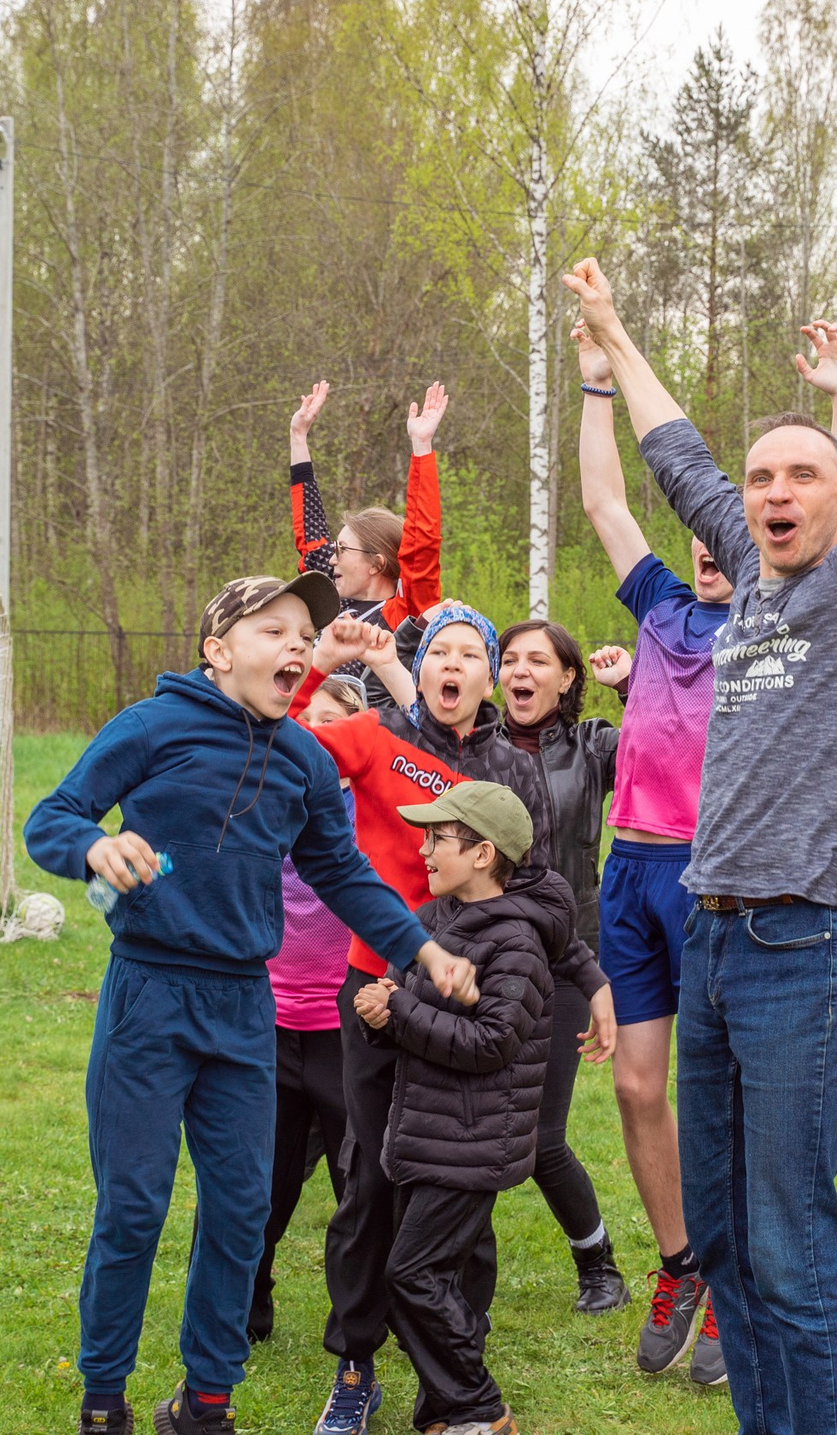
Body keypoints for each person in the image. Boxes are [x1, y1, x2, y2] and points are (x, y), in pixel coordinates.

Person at [569, 250, 837, 1435]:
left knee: (789, 1246)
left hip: (805, 948)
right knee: (730, 1244)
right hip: (714, 940)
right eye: (761, 478)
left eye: (802, 475)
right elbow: (674, 457)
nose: (774, 493)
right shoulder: (743, 576)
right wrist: (613, 335)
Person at [22, 574, 482, 1435]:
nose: (297, 645)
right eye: (275, 630)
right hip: (150, 995)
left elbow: (343, 872)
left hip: (243, 1007)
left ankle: (205, 1402)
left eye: (304, 633)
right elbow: (52, 816)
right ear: (219, 650)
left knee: (240, 1212)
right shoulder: (151, 726)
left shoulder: (303, 758)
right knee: (134, 1208)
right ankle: (103, 1398)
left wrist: (423, 948)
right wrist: (91, 845)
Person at [572, 308, 837, 1387]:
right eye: (733, 502)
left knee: (741, 1111)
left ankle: (738, 1293)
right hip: (635, 866)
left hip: (730, 884)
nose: (710, 541)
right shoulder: (657, 606)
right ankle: (684, 1261)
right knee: (637, 1087)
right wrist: (596, 379)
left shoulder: (788, 616)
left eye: (723, 529)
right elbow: (608, 502)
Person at [286, 606, 617, 1435]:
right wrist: (317, 662)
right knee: (370, 1182)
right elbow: (279, 746)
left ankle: (453, 1380)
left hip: (465, 998)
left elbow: (543, 887)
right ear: (420, 666)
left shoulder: (513, 764)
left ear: (487, 675)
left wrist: (589, 976)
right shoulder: (377, 736)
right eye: (441, 649)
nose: (455, 663)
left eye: (473, 652)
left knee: (460, 1190)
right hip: (376, 989)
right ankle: (355, 1366)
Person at [353, 779, 606, 1435]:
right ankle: (442, 1411)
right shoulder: (438, 921)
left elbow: (491, 1043)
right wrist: (382, 1012)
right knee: (425, 1279)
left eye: (437, 838)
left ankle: (478, 1407)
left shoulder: (516, 942)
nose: (424, 849)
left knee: (413, 1276)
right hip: (427, 1132)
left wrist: (400, 1010)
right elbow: (412, 1007)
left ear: (483, 853)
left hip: (470, 1143)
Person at [492, 616, 635, 1315]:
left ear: (568, 677)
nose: (520, 671)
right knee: (470, 1128)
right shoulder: (475, 745)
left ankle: (598, 1264)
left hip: (568, 957)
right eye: (510, 659)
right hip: (481, 956)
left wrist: (633, 686)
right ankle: (448, 1274)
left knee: (541, 1136)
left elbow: (669, 746)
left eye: (538, 661)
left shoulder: (594, 745)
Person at [248, 675, 366, 1345]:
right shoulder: (263, 794)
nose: (318, 733)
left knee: (359, 1184)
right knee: (260, 1180)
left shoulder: (370, 807)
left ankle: (355, 1319)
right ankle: (245, 1300)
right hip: (267, 1022)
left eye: (334, 723)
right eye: (308, 719)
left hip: (344, 1030)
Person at [289, 378, 447, 705]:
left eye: (342, 550)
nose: (331, 558)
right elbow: (310, 531)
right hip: (306, 725)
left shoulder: (402, 613)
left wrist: (422, 447)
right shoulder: (331, 597)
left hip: (369, 733)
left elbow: (421, 546)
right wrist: (298, 436)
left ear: (377, 563)